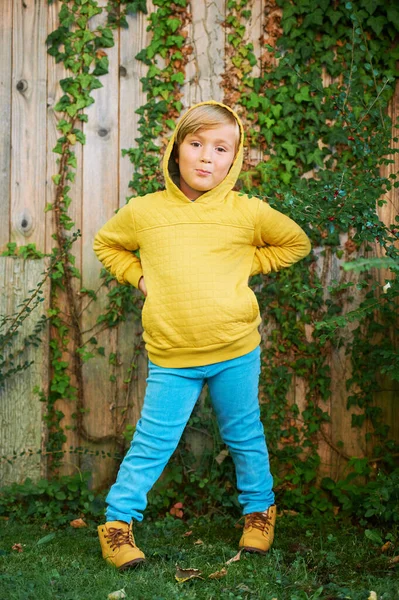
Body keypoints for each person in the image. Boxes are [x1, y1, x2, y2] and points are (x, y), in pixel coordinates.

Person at [93, 100, 311, 570]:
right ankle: (116, 523)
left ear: (234, 159)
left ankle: (259, 512)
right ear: (176, 150)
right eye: (195, 144)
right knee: (153, 441)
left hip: (235, 350)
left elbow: (295, 242)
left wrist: (247, 263)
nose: (206, 157)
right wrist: (140, 277)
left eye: (220, 148)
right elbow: (106, 244)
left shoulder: (246, 213)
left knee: (244, 434)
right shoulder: (144, 212)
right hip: (173, 354)